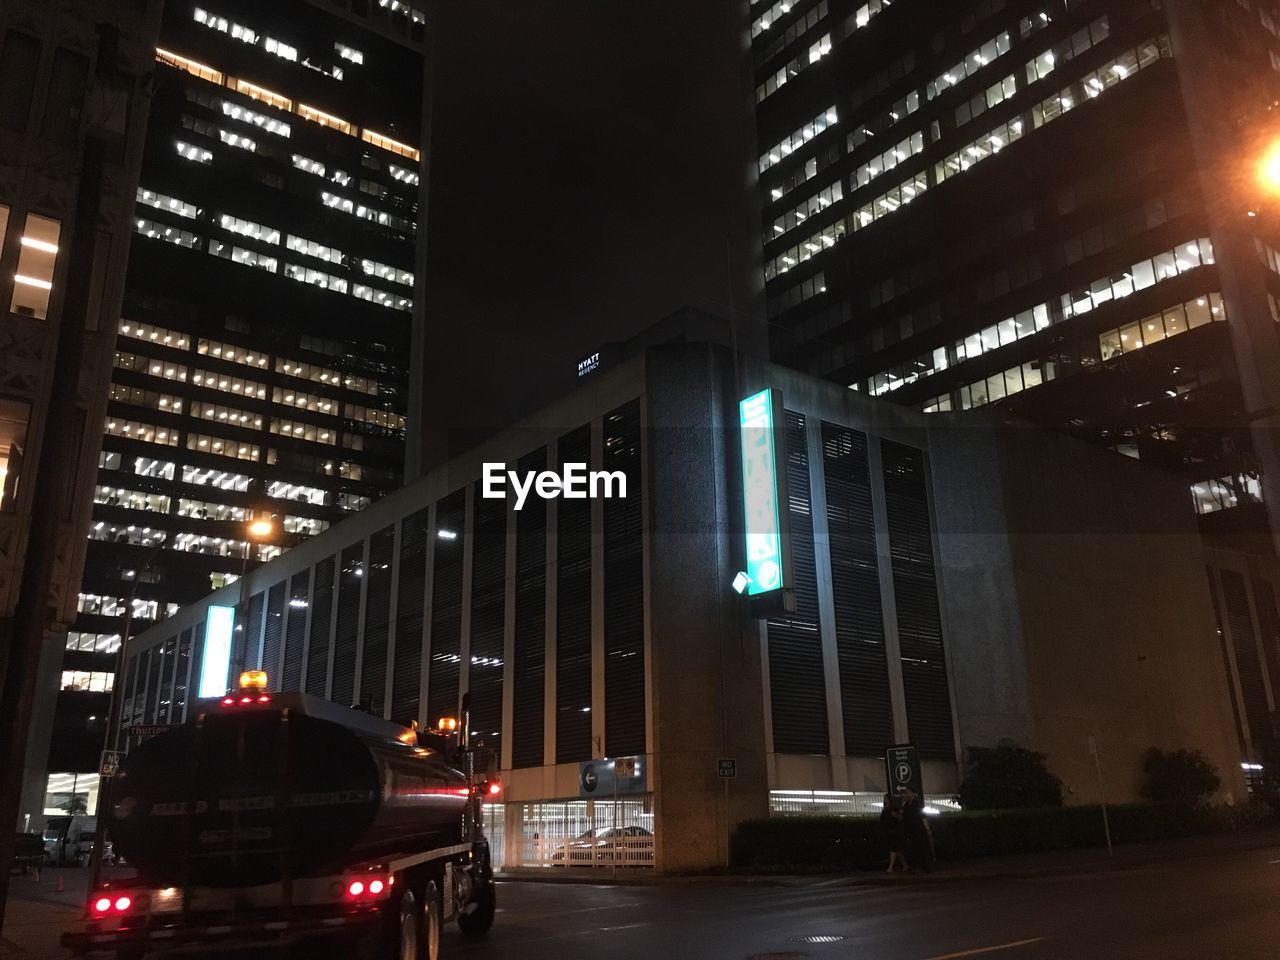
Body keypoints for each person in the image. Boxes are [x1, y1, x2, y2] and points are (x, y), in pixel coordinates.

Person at [899, 787, 934, 873]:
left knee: (920, 848)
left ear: (913, 793)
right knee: (912, 848)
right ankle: (914, 866)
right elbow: (904, 816)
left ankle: (923, 866)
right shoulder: (906, 804)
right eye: (906, 793)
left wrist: (927, 828)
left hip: (918, 829)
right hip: (909, 830)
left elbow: (922, 816)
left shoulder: (916, 804)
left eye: (908, 792)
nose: (906, 794)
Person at [879, 793, 906, 873]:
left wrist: (896, 816)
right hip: (890, 831)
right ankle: (904, 865)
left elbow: (901, 818)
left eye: (886, 799)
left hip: (894, 831)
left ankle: (891, 867)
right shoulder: (886, 809)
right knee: (897, 849)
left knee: (893, 849)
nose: (885, 800)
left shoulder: (893, 808)